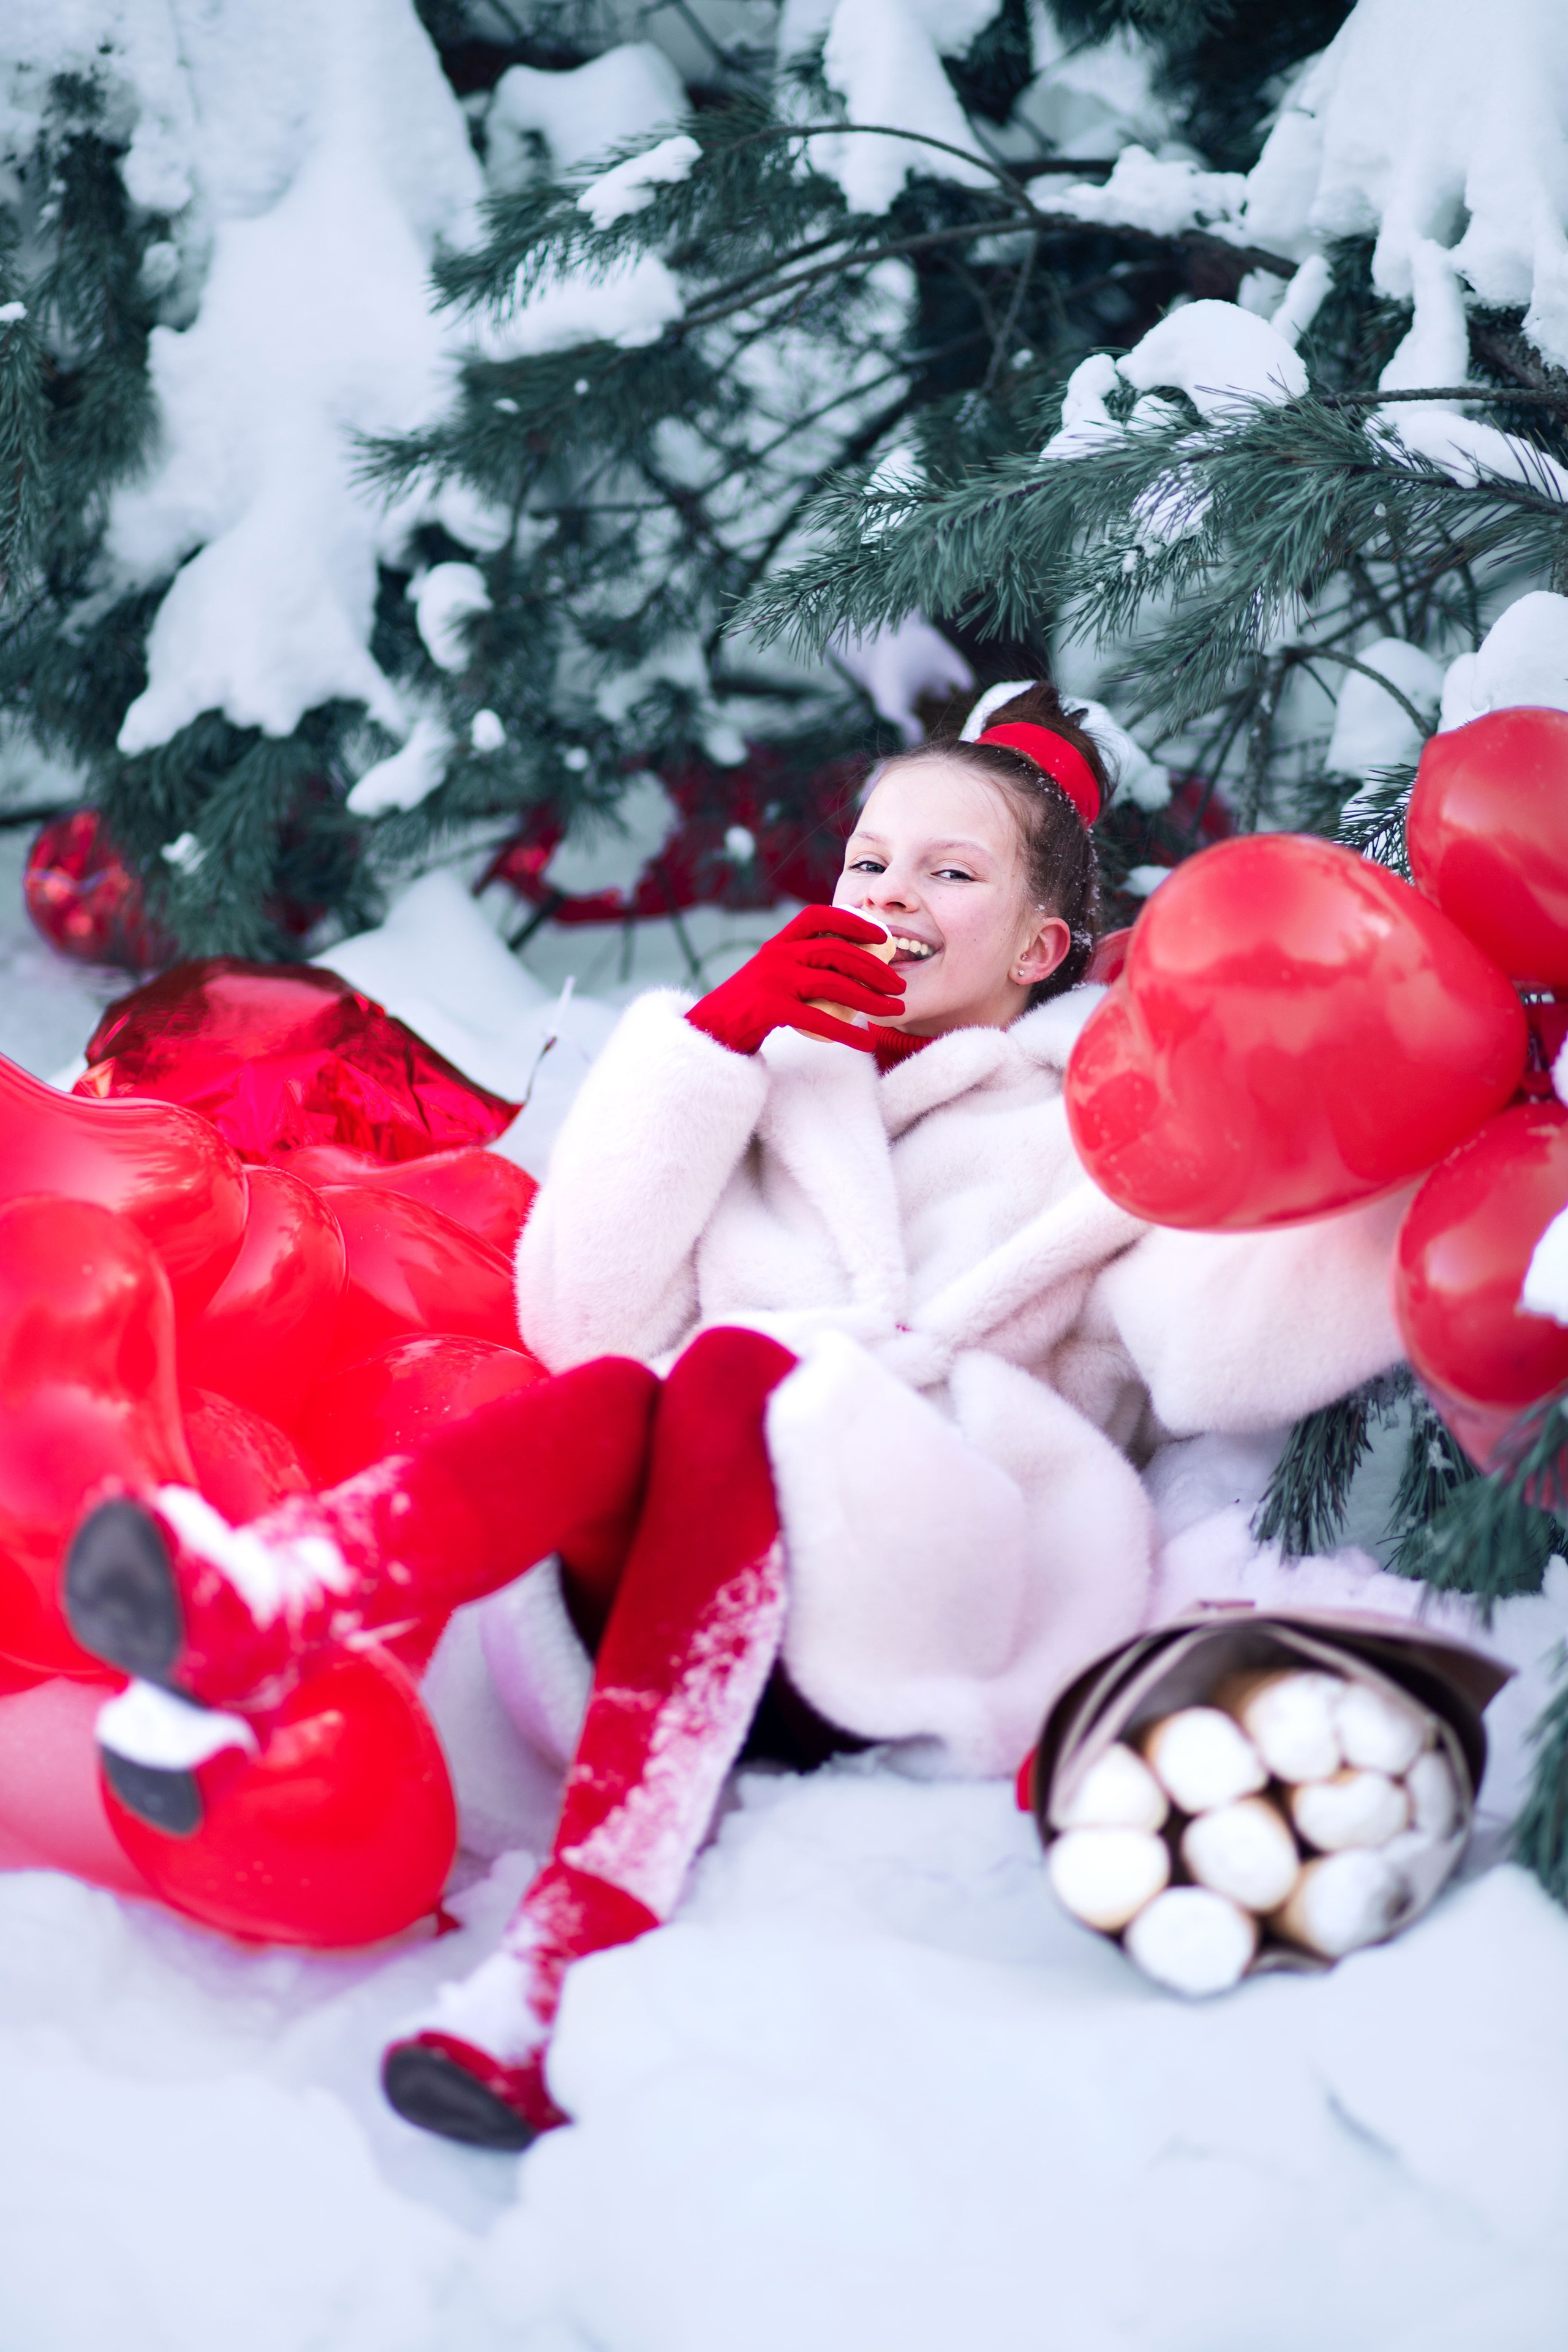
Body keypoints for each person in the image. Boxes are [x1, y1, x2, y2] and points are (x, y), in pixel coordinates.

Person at [61, 684, 1405, 2149]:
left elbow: (1223, 1355)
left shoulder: (1095, 1119)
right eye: (869, 862)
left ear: (1038, 947)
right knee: (642, 1388)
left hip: (921, 1575)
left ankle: (589, 1916)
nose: (893, 895)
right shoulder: (763, 1078)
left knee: (728, 1371)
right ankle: (285, 1590)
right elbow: (576, 1326)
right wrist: (709, 1045)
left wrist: (1392, 1154)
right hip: (663, 1589)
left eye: (949, 873)